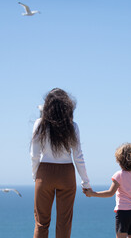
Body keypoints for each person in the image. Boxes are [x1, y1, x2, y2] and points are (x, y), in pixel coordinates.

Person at [30, 88, 91, 238]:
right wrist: (86, 182)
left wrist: (35, 175)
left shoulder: (39, 124)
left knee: (41, 223)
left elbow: (34, 154)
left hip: (44, 173)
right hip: (66, 174)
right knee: (64, 223)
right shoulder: (72, 126)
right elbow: (78, 156)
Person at [83, 143, 131, 238]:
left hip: (124, 212)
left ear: (120, 160)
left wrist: (92, 193)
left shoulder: (119, 175)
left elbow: (110, 193)